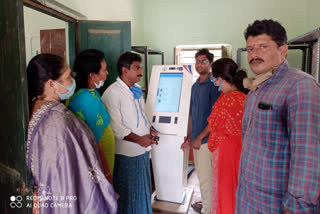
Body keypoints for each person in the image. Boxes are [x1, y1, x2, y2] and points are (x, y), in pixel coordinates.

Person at [235, 19, 320, 214]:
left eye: (263, 46)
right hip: (247, 197)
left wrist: (296, 208)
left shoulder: (300, 87)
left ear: (283, 50)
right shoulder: (255, 88)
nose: (254, 54)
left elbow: (308, 157)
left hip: (275, 205)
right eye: (250, 49)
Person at [26, 53, 117, 214]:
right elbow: (81, 165)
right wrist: (106, 185)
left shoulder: (31, 108)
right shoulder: (61, 120)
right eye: (68, 77)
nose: (72, 81)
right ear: (52, 84)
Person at [101, 52, 158, 214]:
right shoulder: (113, 93)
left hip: (141, 152)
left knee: (142, 192)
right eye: (137, 68)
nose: (141, 71)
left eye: (141, 67)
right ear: (125, 70)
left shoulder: (136, 89)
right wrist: (140, 139)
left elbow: (142, 114)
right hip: (126, 154)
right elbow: (117, 127)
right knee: (129, 195)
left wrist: (150, 129)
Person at [180, 48, 221, 214]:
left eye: (203, 61)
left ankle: (209, 210)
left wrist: (199, 138)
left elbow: (216, 118)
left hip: (207, 142)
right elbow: (191, 116)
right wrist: (190, 137)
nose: (199, 64)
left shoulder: (214, 86)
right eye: (197, 61)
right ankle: (208, 206)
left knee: (206, 180)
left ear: (210, 64)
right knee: (204, 179)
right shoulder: (195, 87)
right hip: (197, 141)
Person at [66, 49, 115, 183]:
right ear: (92, 75)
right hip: (99, 169)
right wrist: (108, 177)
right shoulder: (84, 100)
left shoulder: (92, 93)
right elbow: (95, 143)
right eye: (104, 70)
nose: (107, 73)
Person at [208, 58, 248, 214]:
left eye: (215, 79)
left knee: (225, 193)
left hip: (226, 154)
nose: (215, 84)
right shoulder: (243, 97)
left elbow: (215, 130)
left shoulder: (228, 100)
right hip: (240, 152)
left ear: (221, 78)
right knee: (236, 191)